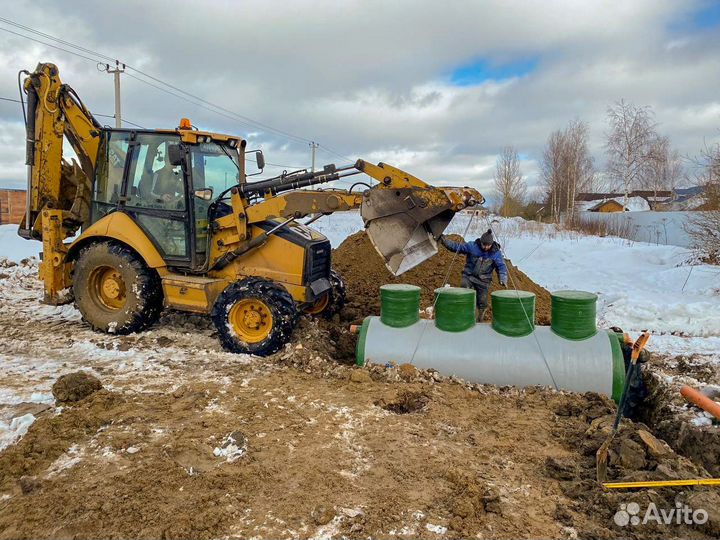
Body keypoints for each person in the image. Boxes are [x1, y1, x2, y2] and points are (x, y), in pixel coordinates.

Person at [439, 229, 508, 321]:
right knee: (464, 289)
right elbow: (456, 247)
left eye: (488, 245)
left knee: (482, 301)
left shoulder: (496, 253)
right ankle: (464, 312)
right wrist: (444, 241)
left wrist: (503, 278)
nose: (486, 247)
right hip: (469, 276)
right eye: (484, 245)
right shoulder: (472, 246)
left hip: (484, 280)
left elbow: (501, 266)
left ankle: (480, 317)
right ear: (481, 242)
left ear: (492, 244)